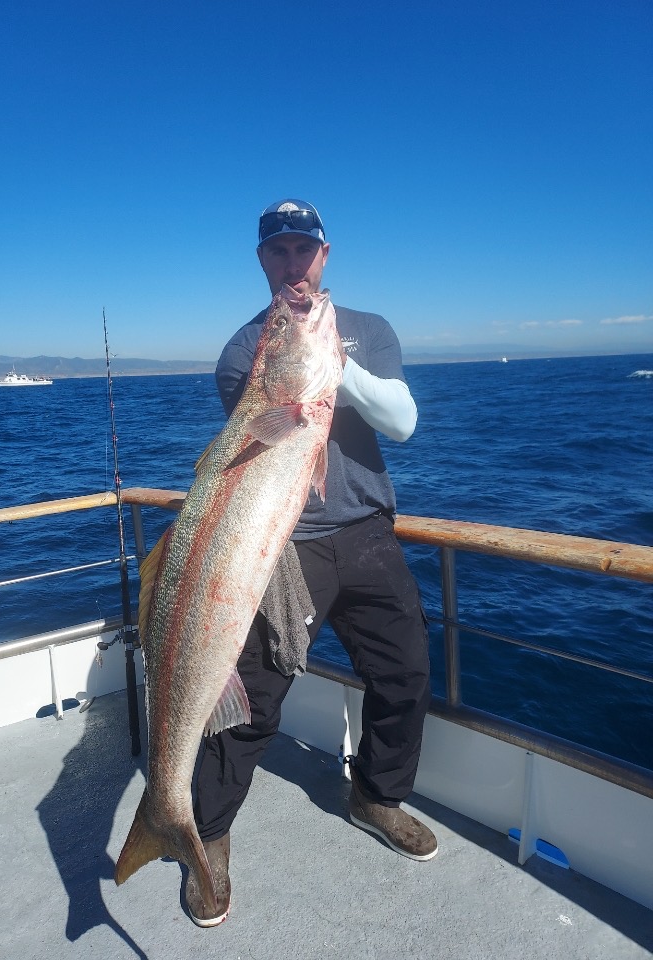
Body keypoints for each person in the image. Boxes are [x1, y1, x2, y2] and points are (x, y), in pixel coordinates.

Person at [186, 199, 436, 927]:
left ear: (325, 256)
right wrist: (296, 361)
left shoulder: (370, 330)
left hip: (366, 533)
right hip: (284, 540)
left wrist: (333, 363)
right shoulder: (244, 353)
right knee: (257, 698)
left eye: (306, 250)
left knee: (405, 671)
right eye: (278, 253)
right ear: (263, 262)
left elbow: (403, 421)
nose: (293, 265)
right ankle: (207, 833)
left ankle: (377, 797)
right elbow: (265, 445)